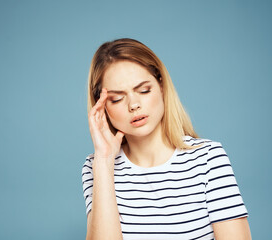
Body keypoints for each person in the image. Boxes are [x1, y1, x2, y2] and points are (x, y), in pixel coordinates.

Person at [82, 38, 251, 240]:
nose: (133, 105)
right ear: (102, 107)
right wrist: (104, 161)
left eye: (144, 90)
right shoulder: (96, 167)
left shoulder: (208, 159)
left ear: (161, 86)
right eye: (117, 99)